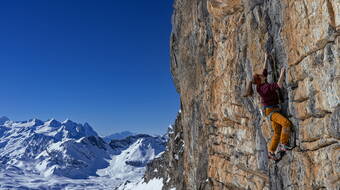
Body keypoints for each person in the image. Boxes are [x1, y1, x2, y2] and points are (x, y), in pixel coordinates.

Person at [243, 55, 292, 160]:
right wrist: (283, 72)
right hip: (271, 112)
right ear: (260, 80)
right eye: (261, 76)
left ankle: (271, 152)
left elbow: (264, 70)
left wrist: (265, 58)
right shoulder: (264, 88)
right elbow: (279, 85)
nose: (262, 74)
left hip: (271, 110)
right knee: (286, 123)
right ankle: (283, 144)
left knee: (277, 132)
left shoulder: (260, 84)